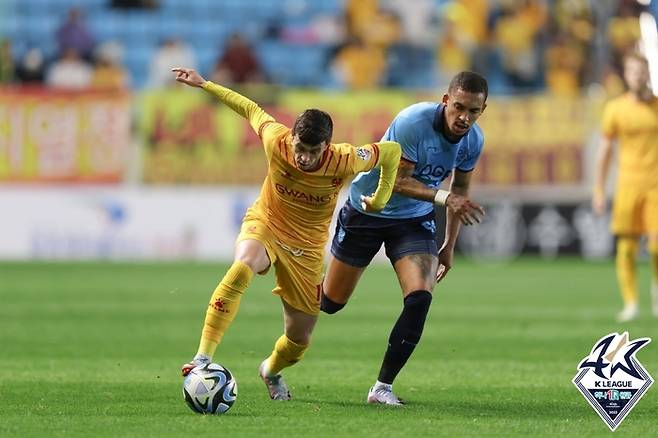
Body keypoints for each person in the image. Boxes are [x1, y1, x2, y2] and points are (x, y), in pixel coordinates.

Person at [171, 67, 401, 400]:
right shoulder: (275, 139)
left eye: (313, 152)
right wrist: (205, 84)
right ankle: (202, 357)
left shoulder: (346, 159)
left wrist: (381, 197)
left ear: (327, 146)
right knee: (243, 264)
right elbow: (249, 107)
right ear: (291, 137)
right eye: (300, 149)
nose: (304, 158)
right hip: (266, 222)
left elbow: (391, 152)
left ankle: (271, 371)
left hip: (306, 249)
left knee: (298, 341)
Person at [322, 71, 488, 405]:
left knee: (420, 297)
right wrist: (444, 199)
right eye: (458, 107)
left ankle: (382, 387)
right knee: (330, 304)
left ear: (483, 109)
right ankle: (296, 298)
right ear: (445, 100)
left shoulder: (474, 141)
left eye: (473, 111)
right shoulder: (413, 122)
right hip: (368, 210)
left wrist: (449, 245)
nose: (464, 117)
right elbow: (397, 182)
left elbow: (461, 191)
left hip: (413, 220)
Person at [592, 52, 658, 322]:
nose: (638, 76)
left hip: (656, 185)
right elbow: (605, 151)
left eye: (641, 71)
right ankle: (630, 303)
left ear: (648, 74)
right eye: (632, 71)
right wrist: (598, 189)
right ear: (626, 75)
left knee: (656, 246)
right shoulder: (616, 109)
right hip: (628, 184)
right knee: (627, 248)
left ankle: (656, 293)